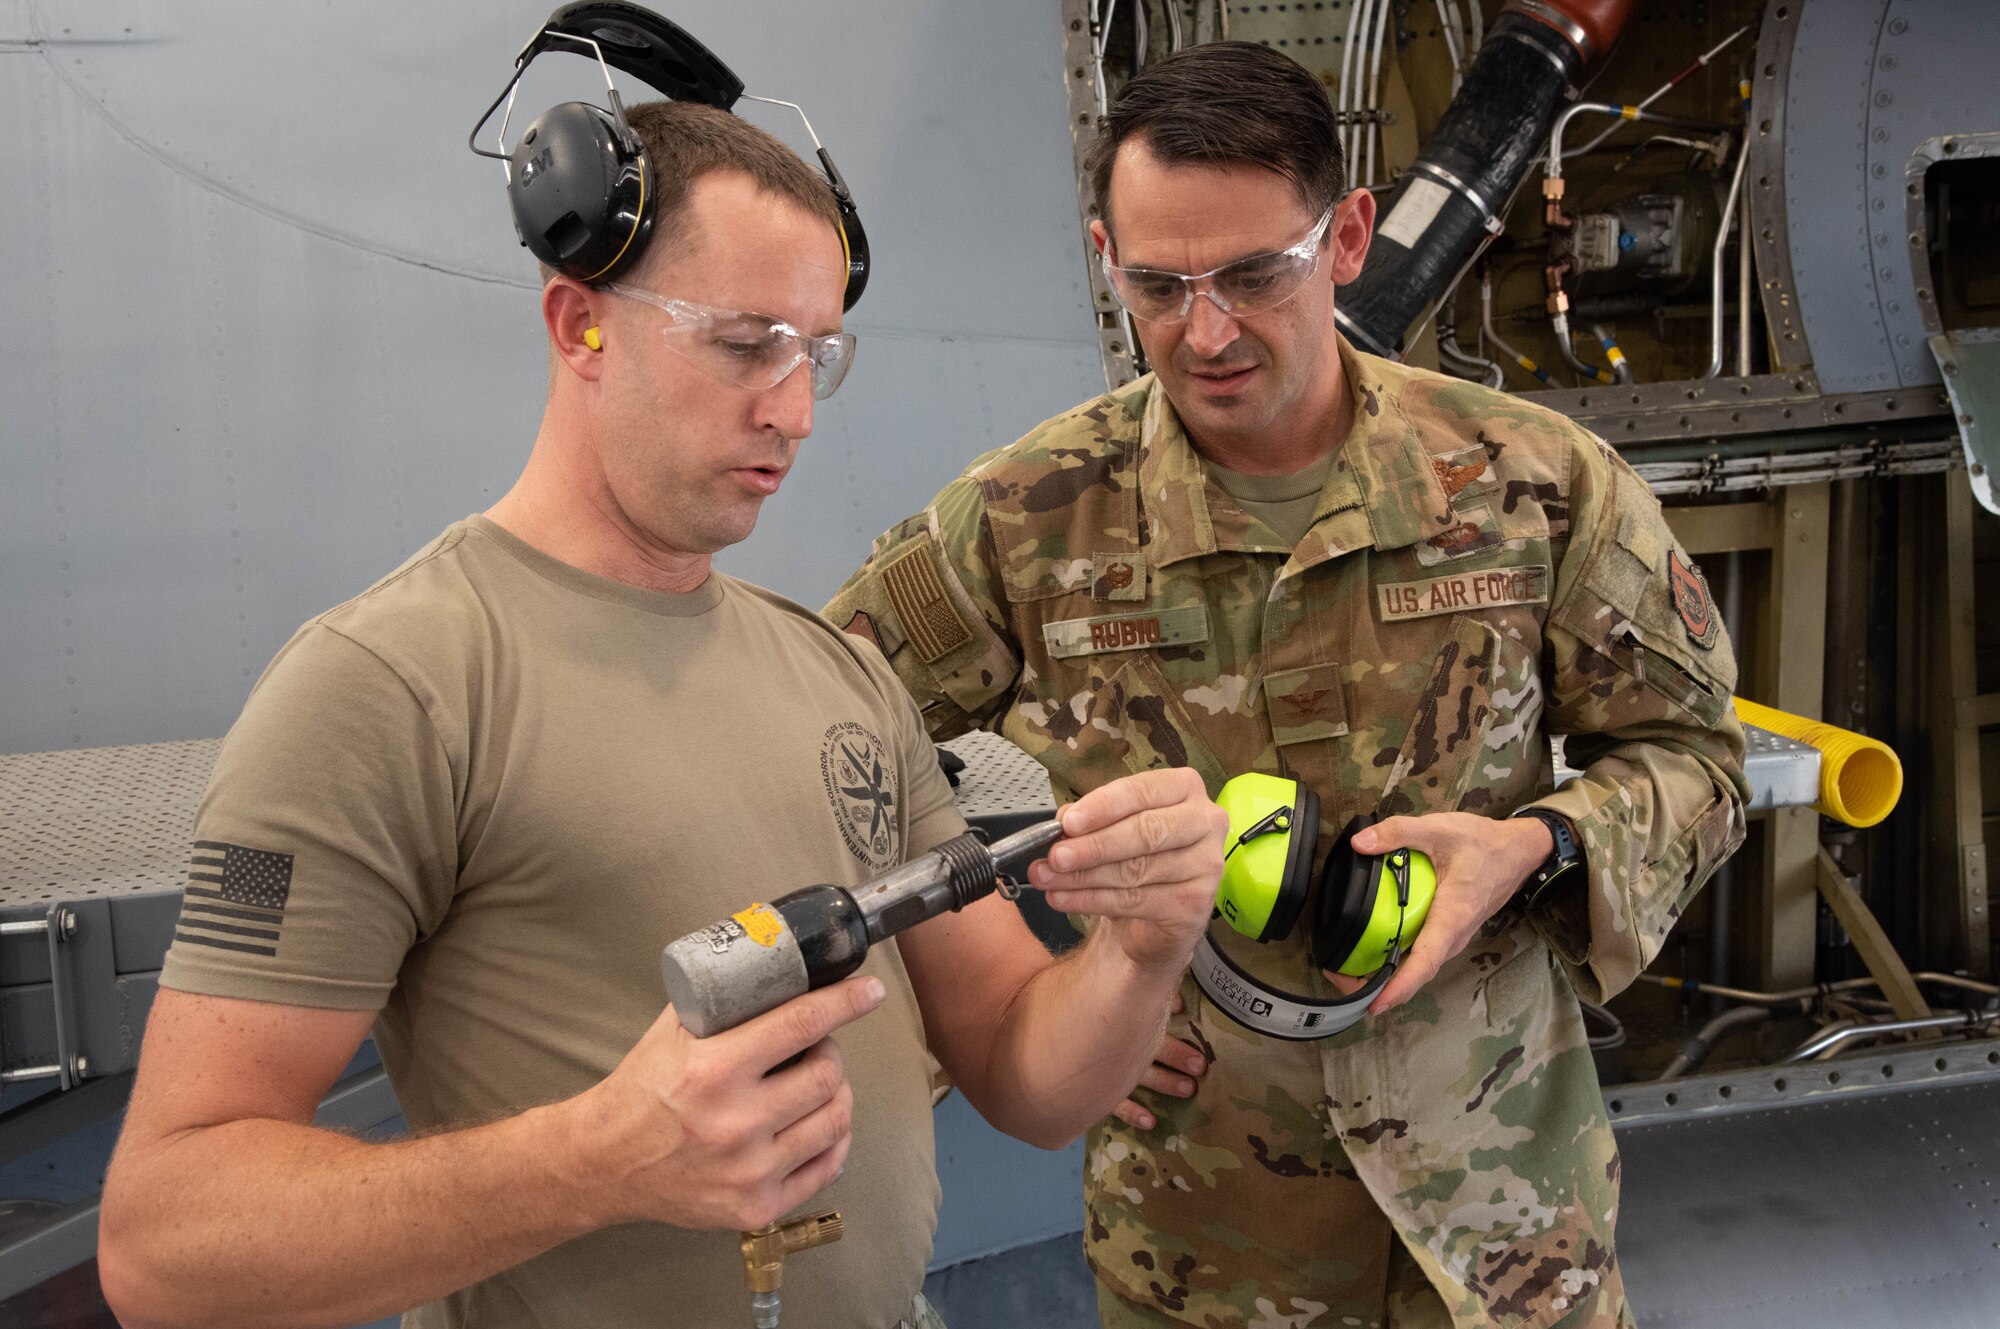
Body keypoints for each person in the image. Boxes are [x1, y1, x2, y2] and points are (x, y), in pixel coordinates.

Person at [96, 97, 1228, 1329]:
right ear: (581, 324)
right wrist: (596, 1158)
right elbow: (165, 1247)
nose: (793, 410)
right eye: (746, 346)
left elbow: (1023, 1069)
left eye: (818, 355)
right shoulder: (391, 687)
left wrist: (1141, 946)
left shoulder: (833, 676)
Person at [826, 41, 1749, 1329]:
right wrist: (1043, 1000)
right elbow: (826, 745)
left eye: (1255, 275)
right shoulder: (1027, 519)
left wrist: (1534, 848)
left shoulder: (1533, 483)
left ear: (1351, 234)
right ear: (1107, 256)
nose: (1204, 333)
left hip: (1501, 1234)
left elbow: (1696, 761)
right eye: (1156, 285)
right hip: (1203, 1246)